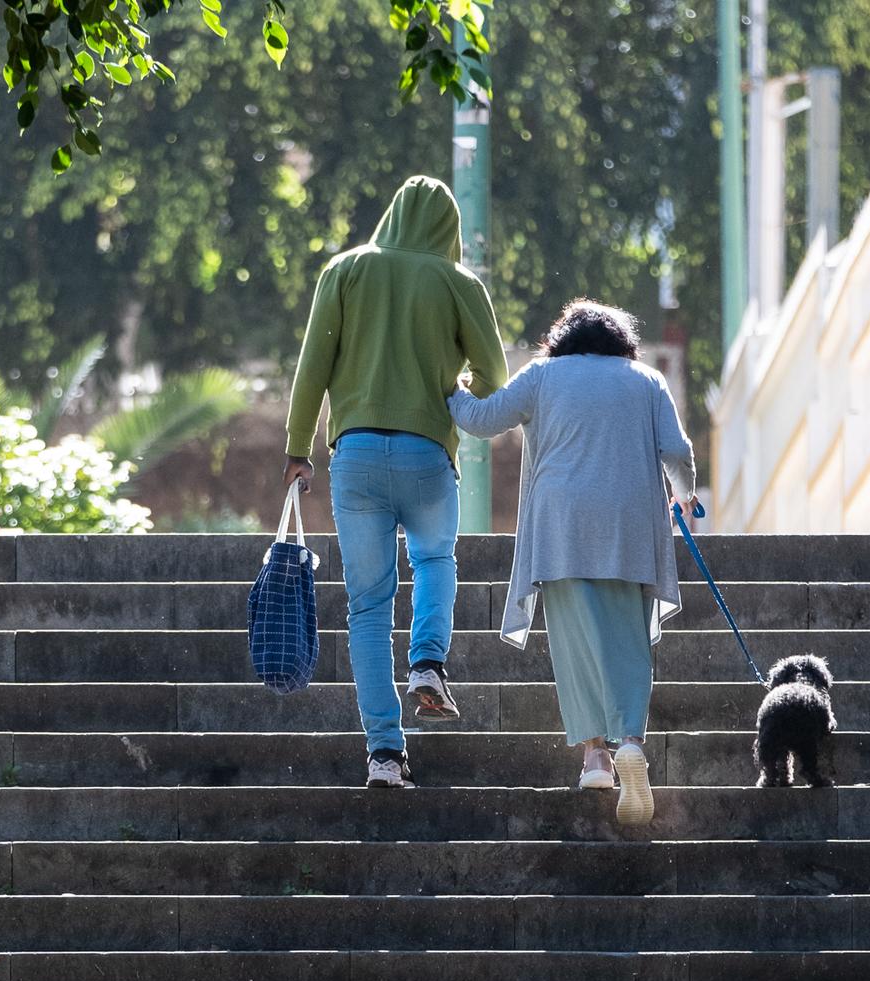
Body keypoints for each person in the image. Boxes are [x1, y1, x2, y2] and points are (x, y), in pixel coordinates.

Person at [283, 175, 509, 789]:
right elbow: (496, 375)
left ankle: (385, 754)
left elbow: (313, 367)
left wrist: (297, 450)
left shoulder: (345, 270)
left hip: (353, 458)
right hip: (428, 456)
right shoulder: (459, 283)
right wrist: (456, 394)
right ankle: (429, 662)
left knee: (367, 608)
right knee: (435, 557)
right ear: (449, 230)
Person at [447, 299, 696, 826]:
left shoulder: (542, 375)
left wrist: (449, 385)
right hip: (629, 525)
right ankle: (630, 740)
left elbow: (482, 420)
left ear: (561, 340)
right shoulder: (645, 380)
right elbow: (678, 452)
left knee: (574, 641)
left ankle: (595, 758)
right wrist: (685, 496)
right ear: (619, 342)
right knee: (629, 637)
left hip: (561, 525)